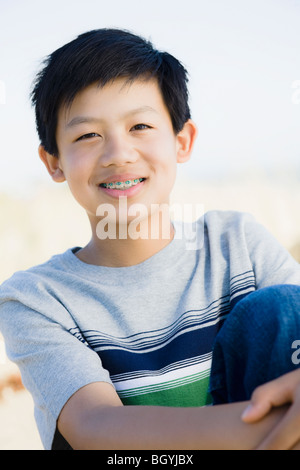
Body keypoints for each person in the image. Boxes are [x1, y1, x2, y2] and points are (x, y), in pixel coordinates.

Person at [0, 28, 300, 450]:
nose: (118, 154)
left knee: (282, 307)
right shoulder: (36, 298)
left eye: (140, 125)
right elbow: (95, 428)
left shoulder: (238, 245)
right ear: (53, 161)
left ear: (182, 141)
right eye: (88, 135)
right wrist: (284, 422)